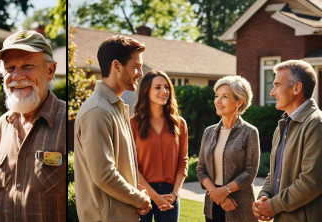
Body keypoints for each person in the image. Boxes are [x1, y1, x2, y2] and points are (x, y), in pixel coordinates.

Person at [0, 30, 68, 221]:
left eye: (27, 66)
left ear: (50, 71)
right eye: (10, 68)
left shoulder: (69, 122)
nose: (17, 76)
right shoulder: (0, 127)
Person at [74, 35, 152, 222]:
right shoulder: (97, 111)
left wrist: (135, 194)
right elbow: (104, 175)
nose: (140, 73)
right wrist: (139, 199)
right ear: (116, 66)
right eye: (136, 67)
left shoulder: (114, 107)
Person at [253, 59, 322, 222]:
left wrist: (273, 206)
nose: (272, 92)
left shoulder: (316, 124)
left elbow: (312, 181)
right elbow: (275, 171)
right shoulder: (282, 125)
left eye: (277, 85)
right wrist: (264, 196)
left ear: (297, 88)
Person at [197, 75, 259, 222]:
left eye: (224, 97)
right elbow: (201, 168)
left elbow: (250, 172)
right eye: (217, 96)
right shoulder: (208, 132)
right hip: (212, 206)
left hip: (239, 206)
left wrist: (225, 191)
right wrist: (217, 195)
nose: (218, 101)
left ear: (239, 102)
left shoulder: (249, 132)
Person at [129, 70, 188, 222]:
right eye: (158, 87)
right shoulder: (133, 124)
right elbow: (131, 165)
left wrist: (175, 194)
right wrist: (154, 197)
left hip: (170, 194)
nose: (164, 91)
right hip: (141, 194)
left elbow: (183, 161)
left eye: (167, 87)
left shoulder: (179, 124)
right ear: (146, 91)